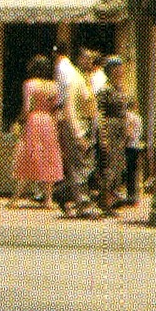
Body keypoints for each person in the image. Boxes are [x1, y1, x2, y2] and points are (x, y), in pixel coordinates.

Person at [11, 55, 63, 208]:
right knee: (49, 156)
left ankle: (16, 198)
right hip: (48, 121)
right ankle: (48, 199)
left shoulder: (29, 84)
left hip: (34, 121)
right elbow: (56, 108)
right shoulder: (54, 86)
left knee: (29, 155)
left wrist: (19, 121)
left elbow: (27, 108)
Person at [53, 48, 98, 217]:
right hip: (77, 127)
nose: (89, 62)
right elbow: (69, 107)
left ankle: (63, 194)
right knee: (79, 168)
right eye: (86, 58)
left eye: (91, 59)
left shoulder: (86, 80)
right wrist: (78, 133)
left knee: (85, 168)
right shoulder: (75, 80)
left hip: (88, 127)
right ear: (79, 59)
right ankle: (83, 206)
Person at [93, 55, 130, 216]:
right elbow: (100, 114)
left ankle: (111, 201)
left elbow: (124, 111)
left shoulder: (120, 88)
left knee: (117, 167)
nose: (121, 70)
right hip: (110, 129)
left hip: (120, 132)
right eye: (118, 67)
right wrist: (103, 137)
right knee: (107, 168)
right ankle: (104, 203)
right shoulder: (105, 89)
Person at [122, 98, 145, 206]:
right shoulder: (139, 118)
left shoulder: (128, 117)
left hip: (128, 146)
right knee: (134, 172)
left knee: (129, 172)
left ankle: (130, 196)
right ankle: (134, 196)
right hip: (136, 146)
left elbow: (128, 132)